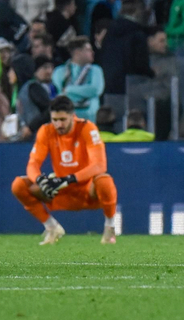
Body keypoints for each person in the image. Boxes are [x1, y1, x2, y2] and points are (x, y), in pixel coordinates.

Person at [11, 96, 120, 246]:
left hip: (86, 190)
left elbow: (99, 166)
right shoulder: (46, 130)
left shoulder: (87, 128)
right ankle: (51, 227)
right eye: (55, 119)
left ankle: (110, 227)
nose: (58, 124)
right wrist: (39, 179)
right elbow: (33, 164)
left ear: (72, 116)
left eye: (63, 119)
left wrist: (69, 178)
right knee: (19, 185)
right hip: (60, 190)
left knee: (105, 181)